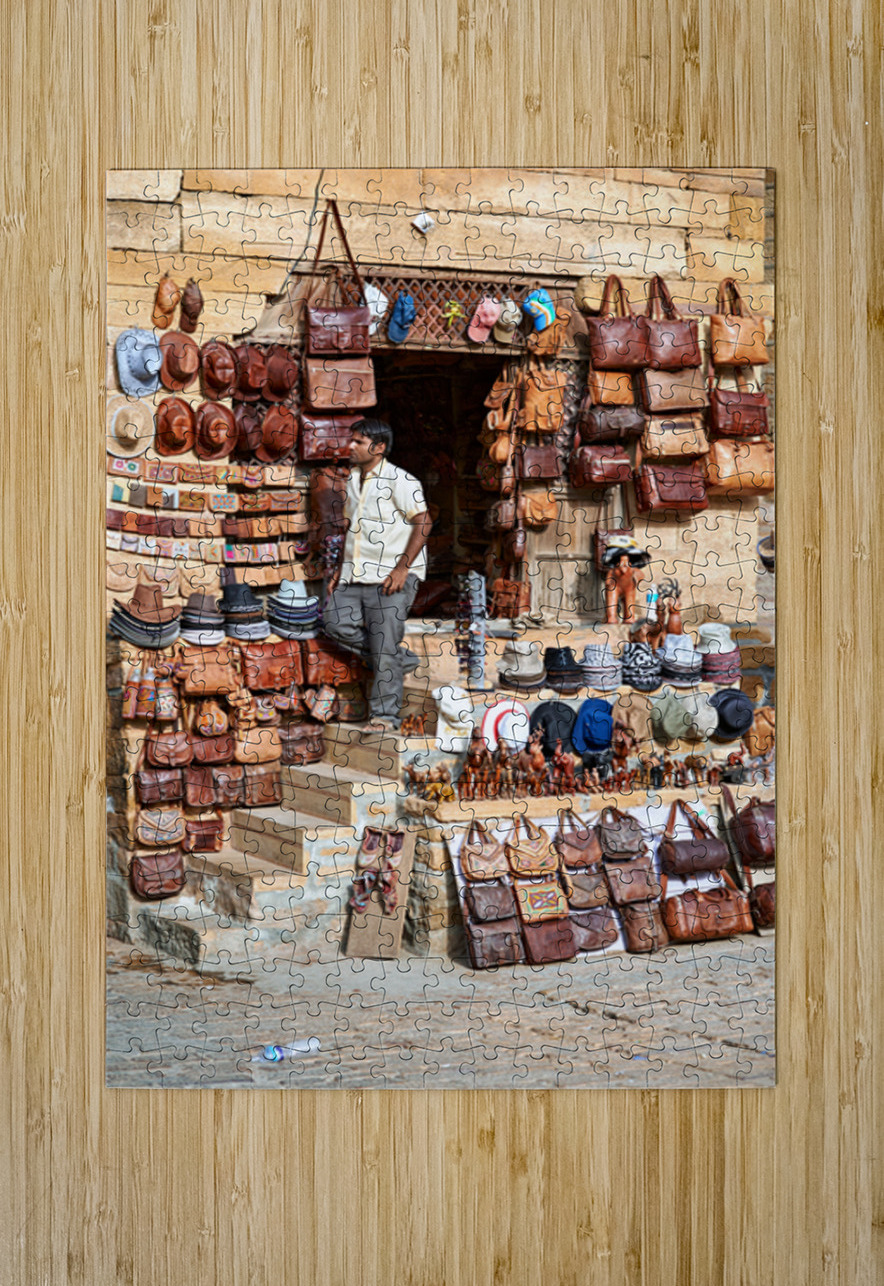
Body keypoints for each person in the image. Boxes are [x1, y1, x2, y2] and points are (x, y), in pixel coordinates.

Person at [322, 419, 432, 732]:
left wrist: (403, 568)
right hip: (356, 573)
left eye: (358, 442)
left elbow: (424, 522)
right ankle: (399, 659)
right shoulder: (352, 481)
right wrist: (340, 569)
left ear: (379, 447)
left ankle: (385, 716)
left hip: (391, 576)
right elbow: (351, 530)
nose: (351, 447)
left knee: (384, 644)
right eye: (352, 441)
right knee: (333, 621)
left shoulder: (401, 480)